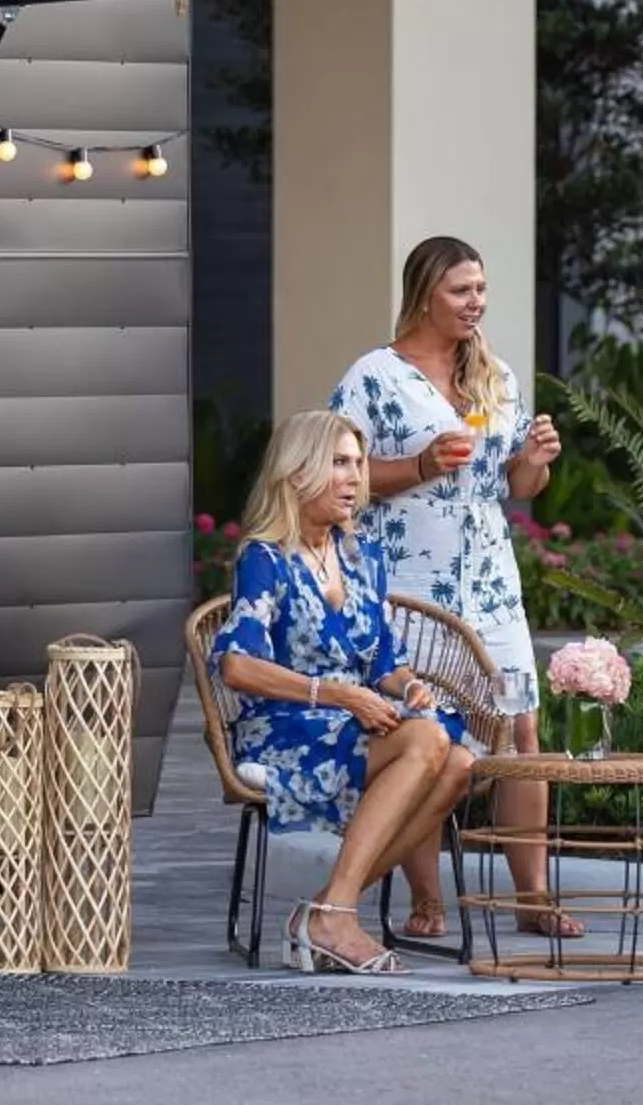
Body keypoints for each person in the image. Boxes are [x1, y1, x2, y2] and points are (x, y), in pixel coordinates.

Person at [331, 236, 578, 942]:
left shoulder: (494, 375)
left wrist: (535, 460)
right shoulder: (374, 378)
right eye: (461, 291)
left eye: (481, 290)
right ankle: (428, 901)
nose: (476, 303)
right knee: (430, 736)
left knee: (521, 732)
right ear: (424, 295)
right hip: (411, 589)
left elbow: (517, 488)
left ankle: (532, 895)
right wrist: (418, 464)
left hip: (491, 587)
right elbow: (336, 476)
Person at [213, 409, 477, 975]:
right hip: (287, 729)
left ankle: (330, 909)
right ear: (298, 470)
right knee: (428, 743)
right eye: (338, 463)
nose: (354, 478)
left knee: (458, 763)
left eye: (358, 464)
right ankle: (333, 917)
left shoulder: (363, 557)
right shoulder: (266, 558)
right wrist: (337, 694)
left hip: (354, 721)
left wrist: (411, 686)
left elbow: (385, 662)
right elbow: (236, 665)